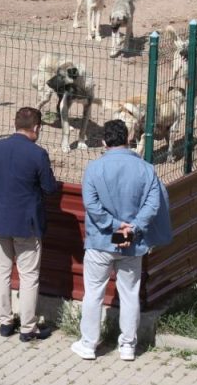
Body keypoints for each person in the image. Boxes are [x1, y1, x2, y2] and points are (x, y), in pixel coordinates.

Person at [71, 119, 172, 362]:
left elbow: (92, 206)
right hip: (133, 241)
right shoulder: (146, 169)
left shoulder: (94, 169)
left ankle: (88, 344)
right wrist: (133, 227)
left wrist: (115, 226)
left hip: (101, 241)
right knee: (129, 293)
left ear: (104, 141)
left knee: (93, 293)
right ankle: (127, 346)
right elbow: (153, 204)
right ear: (128, 139)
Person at [0, 106, 59, 342]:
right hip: (27, 224)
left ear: (15, 124)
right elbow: (49, 188)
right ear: (36, 128)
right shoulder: (38, 154)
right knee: (29, 276)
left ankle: (4, 322)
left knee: (1, 272)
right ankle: (28, 328)